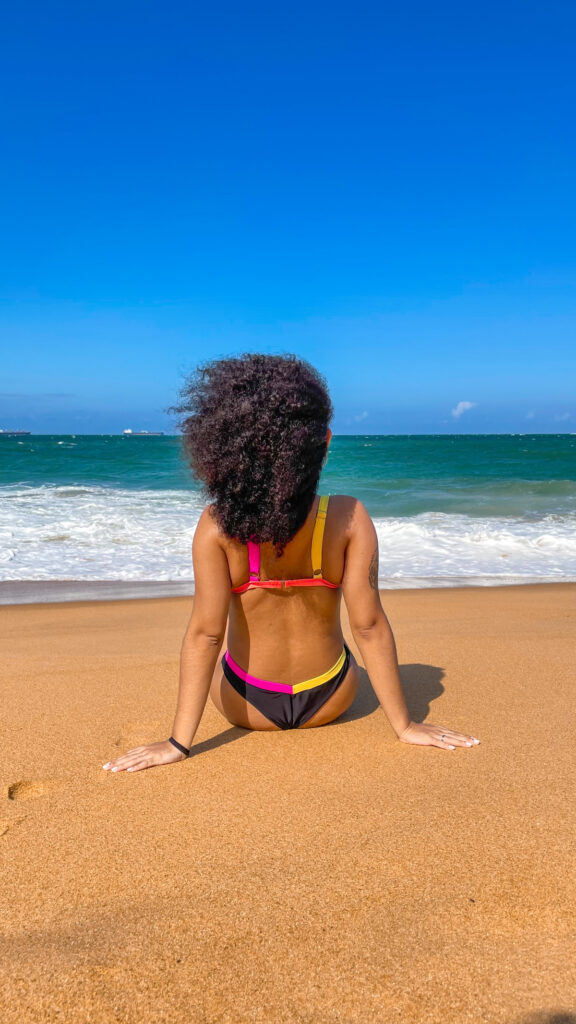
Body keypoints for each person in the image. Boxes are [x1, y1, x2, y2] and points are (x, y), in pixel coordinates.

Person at [103, 353, 479, 774]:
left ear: (228, 448)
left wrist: (178, 743)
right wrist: (405, 725)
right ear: (325, 441)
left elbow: (206, 635)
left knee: (220, 654)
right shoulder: (348, 517)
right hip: (330, 700)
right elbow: (368, 626)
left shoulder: (216, 526)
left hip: (245, 706)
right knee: (350, 657)